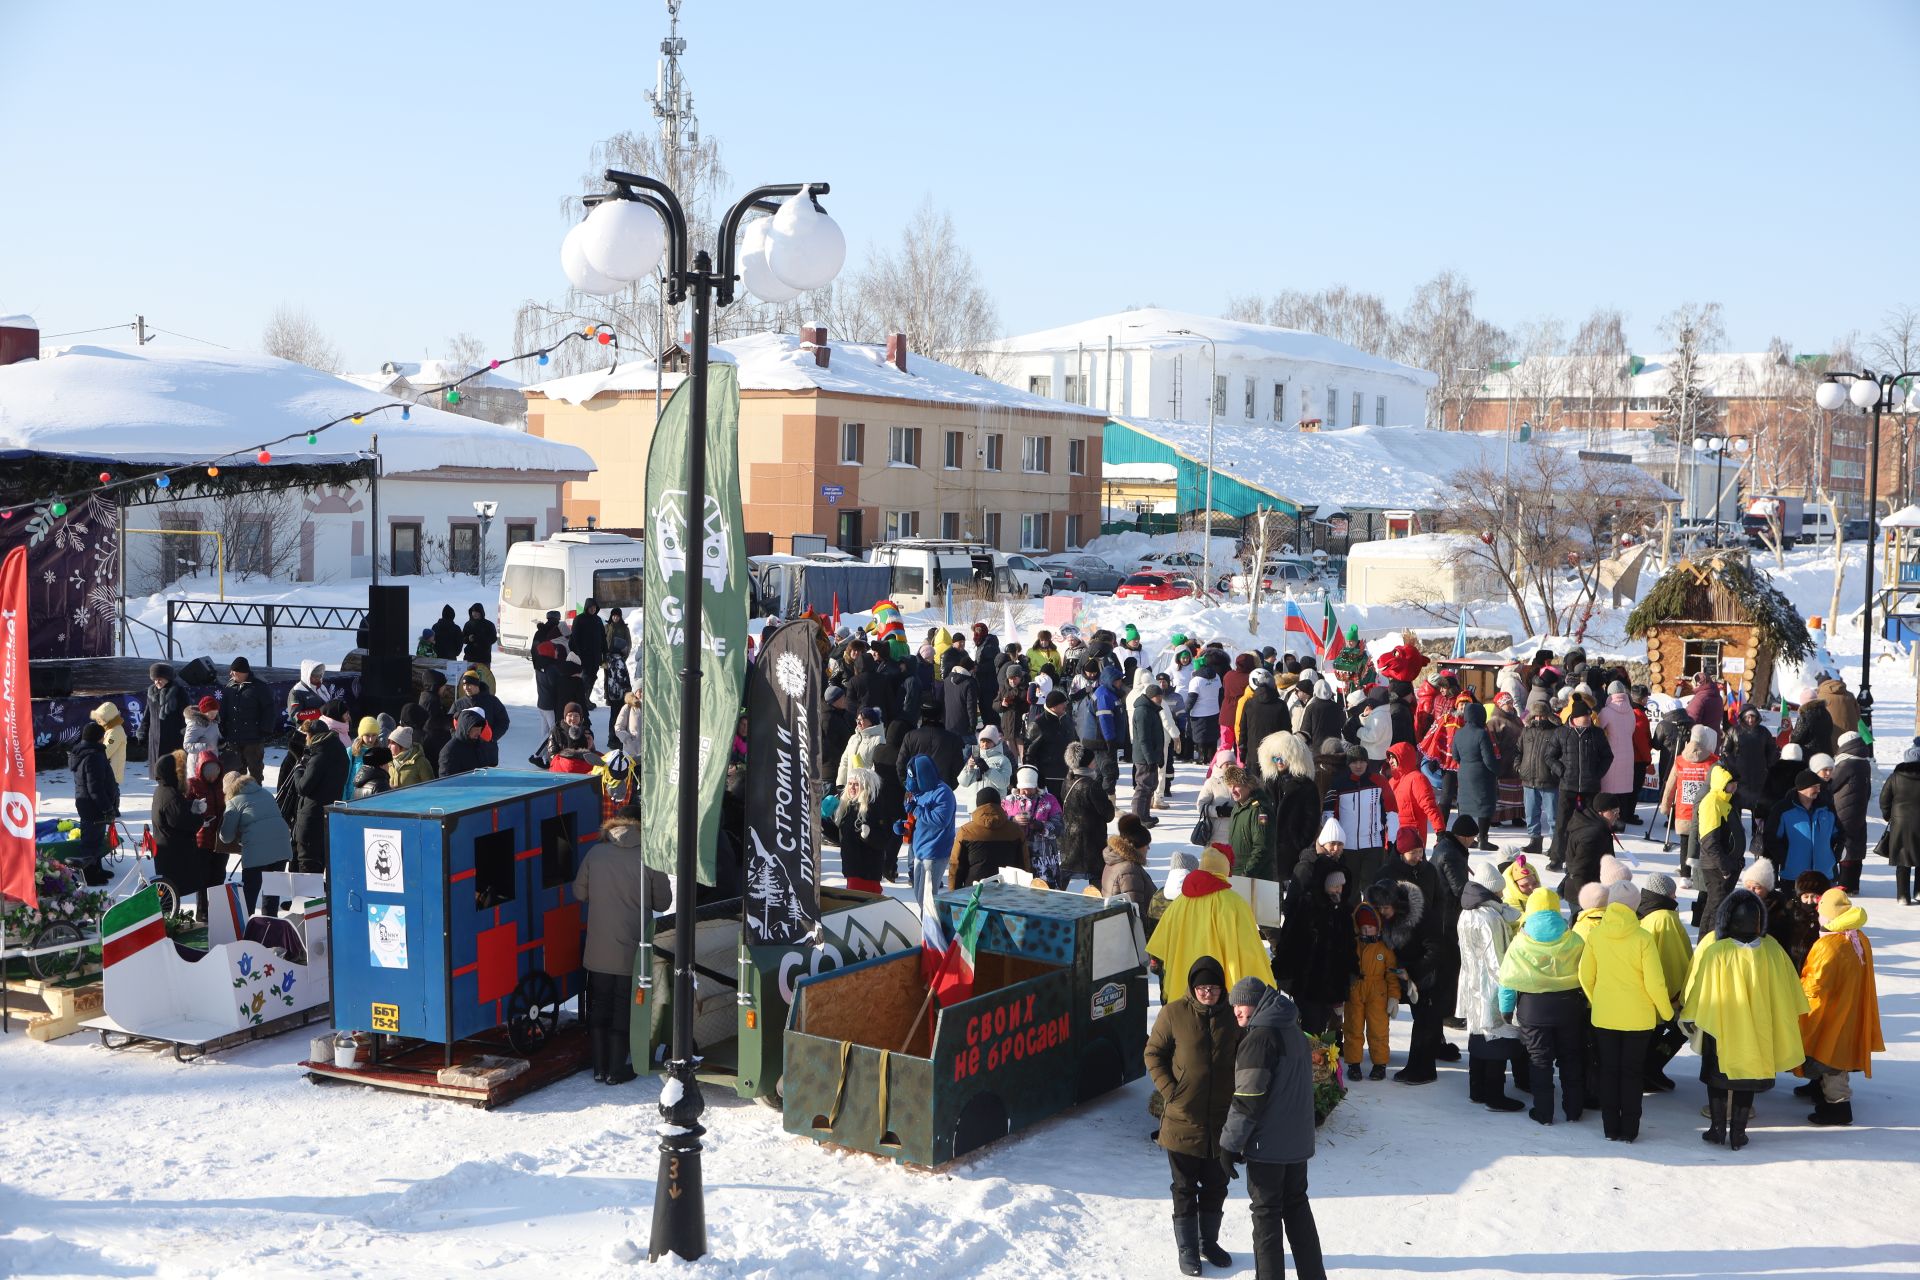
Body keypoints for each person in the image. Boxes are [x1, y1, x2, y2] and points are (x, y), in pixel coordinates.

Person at [1682, 889, 1811, 1148]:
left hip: (1720, 1029)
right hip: (1757, 1030)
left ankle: (1717, 1128)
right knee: (1747, 1081)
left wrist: (1690, 1014)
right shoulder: (1773, 951)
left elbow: (1699, 988)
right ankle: (1739, 1132)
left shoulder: (1717, 951)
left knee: (1718, 1079)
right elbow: (1791, 991)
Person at [1220, 977, 1327, 1280]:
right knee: (1297, 1209)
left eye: (1240, 1004)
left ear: (1255, 1004)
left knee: (1266, 1218)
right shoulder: (1291, 1029)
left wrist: (1229, 1144)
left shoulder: (1260, 1038)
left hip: (1268, 1146)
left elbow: (1248, 1099)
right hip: (1296, 1143)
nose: (1236, 1011)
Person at [1145, 956, 1241, 1278]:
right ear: (1192, 987)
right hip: (1183, 1120)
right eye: (1201, 987)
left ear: (1221, 988)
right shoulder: (1173, 1013)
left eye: (1213, 987)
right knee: (1184, 1186)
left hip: (1222, 1121)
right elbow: (1153, 1053)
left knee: (1217, 1183)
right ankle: (1187, 1250)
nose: (1207, 993)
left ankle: (1207, 1242)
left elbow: (1246, 1058)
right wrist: (1171, 1091)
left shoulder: (1233, 1017)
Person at [574, 806, 671, 1084]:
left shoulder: (596, 853)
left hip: (599, 947)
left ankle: (598, 1068)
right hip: (633, 947)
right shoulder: (649, 857)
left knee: (599, 1002)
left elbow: (579, 892)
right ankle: (617, 1069)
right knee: (623, 1005)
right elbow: (663, 902)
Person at [1579, 885, 1674, 1142]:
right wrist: (1666, 1012)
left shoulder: (1597, 936)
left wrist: (1597, 1000)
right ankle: (1630, 1130)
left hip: (1605, 1016)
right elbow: (1656, 982)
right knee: (1632, 1074)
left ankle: (1610, 1128)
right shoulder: (1642, 938)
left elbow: (1585, 975)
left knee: (1609, 1071)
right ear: (1634, 905)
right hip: (1638, 1019)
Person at [1498, 887, 1587, 1126]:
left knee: (1539, 1060)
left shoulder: (1520, 942)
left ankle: (1544, 1112)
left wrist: (1506, 1009)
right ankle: (1573, 1110)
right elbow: (1588, 974)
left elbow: (1507, 978)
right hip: (1570, 1007)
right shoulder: (1575, 939)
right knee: (1571, 1058)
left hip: (1533, 1009)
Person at [1796, 887, 1883, 1126]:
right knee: (1835, 1051)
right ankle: (1821, 1091)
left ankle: (1838, 1107)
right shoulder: (1857, 936)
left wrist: (1797, 992)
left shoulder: (1830, 944)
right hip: (1850, 1006)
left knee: (1831, 1056)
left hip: (1830, 1010)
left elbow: (1816, 983)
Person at [1147, 847, 1275, 1002]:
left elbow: (1160, 946)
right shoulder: (1234, 903)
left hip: (1185, 989)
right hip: (1221, 991)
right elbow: (1250, 952)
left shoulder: (1179, 903)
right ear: (1225, 869)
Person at [1457, 857, 1527, 1112]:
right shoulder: (1488, 918)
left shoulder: (1467, 912)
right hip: (1490, 986)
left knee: (1478, 1035)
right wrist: (1510, 989)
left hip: (1471, 983)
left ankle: (1477, 1089)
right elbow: (1498, 959)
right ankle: (1494, 1095)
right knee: (1497, 1037)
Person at [1278, 851, 1351, 1038]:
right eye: (1335, 886)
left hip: (1331, 983)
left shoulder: (1341, 911)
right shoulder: (1308, 907)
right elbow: (1290, 941)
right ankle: (1309, 1063)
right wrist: (1285, 973)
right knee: (1311, 1025)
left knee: (1325, 1026)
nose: (1338, 890)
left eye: (1341, 886)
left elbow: (1347, 947)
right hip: (1307, 982)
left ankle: (1322, 1064)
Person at [1634, 870, 1693, 1091]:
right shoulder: (1665, 918)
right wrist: (1678, 995)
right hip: (1664, 994)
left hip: (1644, 993)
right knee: (1679, 1030)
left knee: (1652, 1036)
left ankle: (1648, 1071)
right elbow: (1672, 961)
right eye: (1673, 893)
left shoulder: (1643, 914)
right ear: (1665, 894)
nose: (1676, 898)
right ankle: (1650, 1070)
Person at [1548, 696, 1613, 873]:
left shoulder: (1597, 733)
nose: (1588, 720)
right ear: (1575, 718)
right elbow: (1550, 756)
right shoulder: (1561, 733)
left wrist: (1596, 774)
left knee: (1592, 824)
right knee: (1562, 823)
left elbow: (1608, 756)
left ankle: (1593, 857)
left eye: (1589, 717)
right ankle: (1556, 858)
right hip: (1567, 786)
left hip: (1590, 787)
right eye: (1585, 718)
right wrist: (1561, 771)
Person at [218, 770, 293, 914]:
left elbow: (226, 836)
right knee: (272, 892)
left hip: (257, 849)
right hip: (282, 845)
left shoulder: (233, 802)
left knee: (250, 894)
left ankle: (248, 928)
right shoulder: (264, 792)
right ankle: (270, 926)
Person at [1342, 902, 1401, 1082]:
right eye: (1363, 927)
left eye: (1371, 927)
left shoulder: (1384, 948)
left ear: (1378, 927)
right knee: (1353, 1027)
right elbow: (1344, 970)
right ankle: (1353, 1064)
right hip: (1355, 989)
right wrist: (1340, 995)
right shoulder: (1353, 946)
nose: (1367, 931)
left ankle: (1380, 1064)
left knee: (1378, 1029)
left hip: (1378, 992)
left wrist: (1394, 997)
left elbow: (1392, 974)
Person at [1658, 724, 1718, 886]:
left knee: (1685, 842)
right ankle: (1700, 877)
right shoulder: (1713, 761)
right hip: (1705, 811)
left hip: (1683, 811)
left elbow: (1670, 785)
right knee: (1703, 844)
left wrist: (1665, 804)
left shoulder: (1680, 760)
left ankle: (1685, 875)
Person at [290, 718, 348, 875]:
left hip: (311, 819)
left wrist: (299, 769)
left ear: (311, 736)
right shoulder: (341, 752)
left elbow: (303, 787)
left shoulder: (320, 756)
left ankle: (307, 899)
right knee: (321, 864)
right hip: (329, 816)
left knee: (307, 869)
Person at [69, 721, 120, 885]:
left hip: (90, 804)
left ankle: (97, 867)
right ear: (98, 738)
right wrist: (106, 808)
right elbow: (95, 787)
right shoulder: (93, 756)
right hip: (94, 805)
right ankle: (88, 874)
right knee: (91, 841)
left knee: (97, 839)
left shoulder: (89, 752)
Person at [900, 754, 957, 900]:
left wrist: (916, 810)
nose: (909, 781)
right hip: (919, 850)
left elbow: (941, 820)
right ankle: (924, 923)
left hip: (935, 851)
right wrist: (903, 827)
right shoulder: (918, 792)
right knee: (919, 896)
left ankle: (932, 923)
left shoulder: (943, 792)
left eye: (912, 776)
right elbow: (917, 821)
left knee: (927, 899)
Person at [949, 785, 1027, 889]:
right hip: (1007, 894)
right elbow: (1024, 863)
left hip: (973, 893)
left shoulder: (966, 831)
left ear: (978, 805)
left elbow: (956, 866)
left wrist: (954, 894)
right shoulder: (1015, 830)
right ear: (999, 804)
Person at [1060, 742, 1114, 890]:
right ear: (1087, 764)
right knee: (1096, 878)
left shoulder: (1067, 781)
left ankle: (1055, 902)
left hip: (1069, 839)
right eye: (1093, 760)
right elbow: (1108, 814)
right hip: (1091, 840)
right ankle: (1096, 908)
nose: (1095, 763)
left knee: (1064, 875)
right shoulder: (1091, 785)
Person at [149, 752, 203, 897]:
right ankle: (168, 917)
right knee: (171, 891)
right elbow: (180, 820)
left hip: (165, 846)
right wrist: (200, 818)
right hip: (173, 851)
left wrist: (190, 805)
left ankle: (169, 915)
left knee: (169, 890)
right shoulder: (170, 794)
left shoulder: (162, 789)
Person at [217, 657, 278, 783]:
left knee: (255, 772)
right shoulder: (230, 686)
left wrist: (264, 730)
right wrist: (221, 727)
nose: (230, 674)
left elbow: (269, 709)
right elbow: (223, 709)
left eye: (233, 671)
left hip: (253, 739)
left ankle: (256, 798)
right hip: (233, 738)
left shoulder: (259, 687)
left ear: (241, 672)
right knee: (236, 773)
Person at [1003, 766, 1065, 888]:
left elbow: (1060, 826)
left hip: (1044, 859)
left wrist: (1040, 825)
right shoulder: (1008, 801)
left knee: (1045, 893)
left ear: (1036, 786)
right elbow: (1000, 823)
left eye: (1028, 788)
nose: (1025, 792)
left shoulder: (1049, 800)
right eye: (1022, 789)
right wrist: (1013, 820)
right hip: (1016, 855)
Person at [1560, 791, 1621, 912]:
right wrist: (1588, 901)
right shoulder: (1593, 835)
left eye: (1618, 812)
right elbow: (1580, 871)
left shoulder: (1590, 822)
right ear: (1601, 812)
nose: (1617, 816)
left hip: (1586, 889)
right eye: (1614, 812)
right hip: (1584, 895)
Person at [1773, 769, 1839, 881]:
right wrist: (1785, 859)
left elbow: (1839, 836)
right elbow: (1772, 838)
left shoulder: (1827, 809)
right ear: (1803, 788)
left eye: (1819, 786)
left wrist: (1834, 857)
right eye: (1815, 786)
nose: (1818, 790)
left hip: (1824, 875)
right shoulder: (1783, 809)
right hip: (1793, 875)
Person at [1828, 730, 1873, 893]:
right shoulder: (1864, 762)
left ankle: (1845, 884)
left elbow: (1832, 785)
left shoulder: (1846, 764)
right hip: (1858, 809)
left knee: (1845, 846)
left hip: (1843, 810)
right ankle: (1854, 884)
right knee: (1856, 846)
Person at [1516, 693, 1560, 857]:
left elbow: (1562, 755)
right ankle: (1534, 841)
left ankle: (1555, 845)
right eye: (1537, 715)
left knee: (1553, 817)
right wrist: (1519, 767)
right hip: (1528, 779)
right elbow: (1518, 751)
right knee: (1531, 814)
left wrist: (1556, 772)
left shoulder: (1556, 732)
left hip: (1549, 780)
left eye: (1543, 715)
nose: (1540, 718)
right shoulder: (1526, 731)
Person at [1451, 702, 1500, 848]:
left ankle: (1466, 838)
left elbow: (1455, 756)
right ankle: (1483, 840)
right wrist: (1497, 771)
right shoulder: (1481, 734)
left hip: (1464, 772)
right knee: (1484, 805)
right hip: (1482, 775)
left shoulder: (1458, 733)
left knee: (1465, 806)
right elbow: (1489, 759)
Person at [1880, 744, 1920, 905]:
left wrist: (1888, 816)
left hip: (1900, 823)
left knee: (1903, 860)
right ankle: (1919, 891)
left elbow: (1884, 799)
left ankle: (1903, 896)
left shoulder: (1895, 777)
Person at [1101, 812, 1156, 926]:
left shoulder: (1114, 860)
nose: (1148, 848)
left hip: (1116, 925)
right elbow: (1136, 913)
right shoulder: (1130, 870)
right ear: (1136, 846)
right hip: (1130, 934)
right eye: (1146, 844)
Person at [1130, 683, 1167, 823]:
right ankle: (1138, 819)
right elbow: (1143, 739)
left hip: (1151, 756)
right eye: (1158, 696)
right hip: (1144, 757)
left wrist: (1159, 757)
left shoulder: (1152, 709)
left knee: (1150, 787)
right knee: (1143, 787)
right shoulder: (1143, 711)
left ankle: (1144, 815)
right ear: (1152, 697)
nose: (1160, 699)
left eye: (1161, 696)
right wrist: (1150, 759)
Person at [144, 663, 186, 775]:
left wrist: (185, 732)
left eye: (160, 679)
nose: (157, 682)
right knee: (158, 772)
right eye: (155, 679)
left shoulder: (179, 692)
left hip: (173, 738)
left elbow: (185, 714)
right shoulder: (151, 693)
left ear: (168, 678)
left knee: (172, 771)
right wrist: (142, 731)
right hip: (155, 739)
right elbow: (147, 714)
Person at [451, 668, 510, 743]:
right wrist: (457, 738)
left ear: (476, 685)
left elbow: (503, 721)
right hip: (465, 747)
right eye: (464, 685)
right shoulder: (458, 703)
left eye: (469, 684)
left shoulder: (492, 701)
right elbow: (451, 724)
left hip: (487, 748)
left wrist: (491, 737)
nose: (466, 688)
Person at [602, 608, 634, 743]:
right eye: (613, 616)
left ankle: (615, 738)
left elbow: (629, 643)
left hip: (618, 658)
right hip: (608, 660)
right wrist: (604, 659)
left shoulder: (624, 629)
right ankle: (609, 697)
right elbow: (601, 643)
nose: (615, 618)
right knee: (608, 681)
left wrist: (623, 657)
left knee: (615, 681)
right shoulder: (607, 627)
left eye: (617, 616)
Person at [438, 707, 493, 778]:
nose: (479, 733)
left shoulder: (479, 744)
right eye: (476, 729)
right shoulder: (449, 751)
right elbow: (446, 781)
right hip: (464, 788)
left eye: (480, 729)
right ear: (466, 728)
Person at [461, 602, 498, 671]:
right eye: (473, 612)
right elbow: (462, 639)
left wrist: (480, 639)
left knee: (483, 680)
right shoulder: (468, 624)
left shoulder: (489, 625)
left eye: (476, 612)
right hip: (470, 658)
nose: (474, 614)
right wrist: (468, 639)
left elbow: (493, 638)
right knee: (469, 680)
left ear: (481, 613)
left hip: (484, 658)